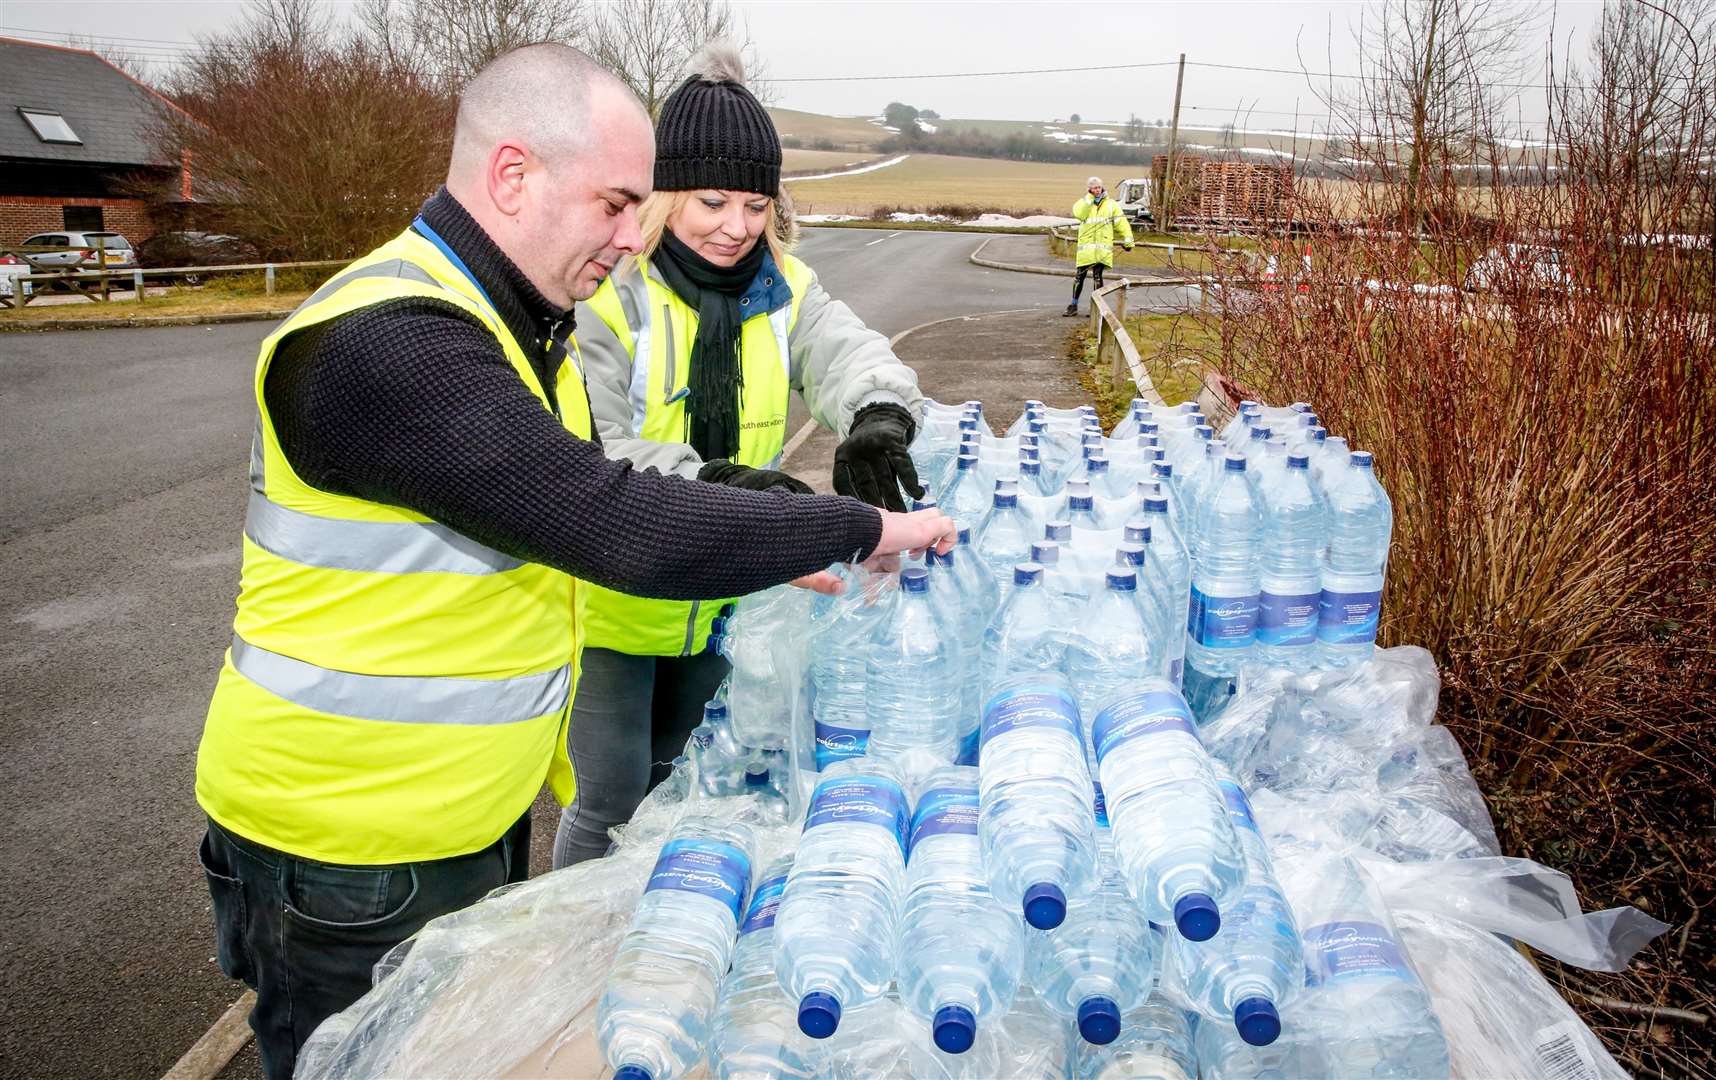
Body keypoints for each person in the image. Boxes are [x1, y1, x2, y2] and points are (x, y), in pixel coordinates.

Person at [192, 44, 953, 1080]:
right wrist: (851, 528)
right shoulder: (397, 340)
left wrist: (847, 441)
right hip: (349, 842)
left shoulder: (512, 322)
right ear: (512, 174)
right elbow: (609, 518)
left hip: (453, 812)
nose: (629, 236)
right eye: (614, 204)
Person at [551, 44, 926, 868]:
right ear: (664, 197)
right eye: (712, 201)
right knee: (609, 797)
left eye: (757, 205)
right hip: (609, 604)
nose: (735, 228)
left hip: (728, 594)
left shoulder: (783, 287)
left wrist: (880, 418)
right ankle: (576, 948)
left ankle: (660, 934)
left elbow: (849, 353)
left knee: (689, 785)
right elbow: (597, 447)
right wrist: (728, 488)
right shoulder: (609, 295)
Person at [1065, 175, 1134, 315]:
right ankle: (1073, 305)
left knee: (1097, 276)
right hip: (1086, 248)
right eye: (1093, 188)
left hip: (1102, 248)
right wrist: (1089, 199)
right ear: (1089, 189)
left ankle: (1096, 308)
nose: (1097, 190)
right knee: (1079, 276)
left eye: (1098, 187)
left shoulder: (1111, 205)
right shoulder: (1083, 203)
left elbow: (1122, 223)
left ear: (1102, 187)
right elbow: (1080, 214)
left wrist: (1128, 240)